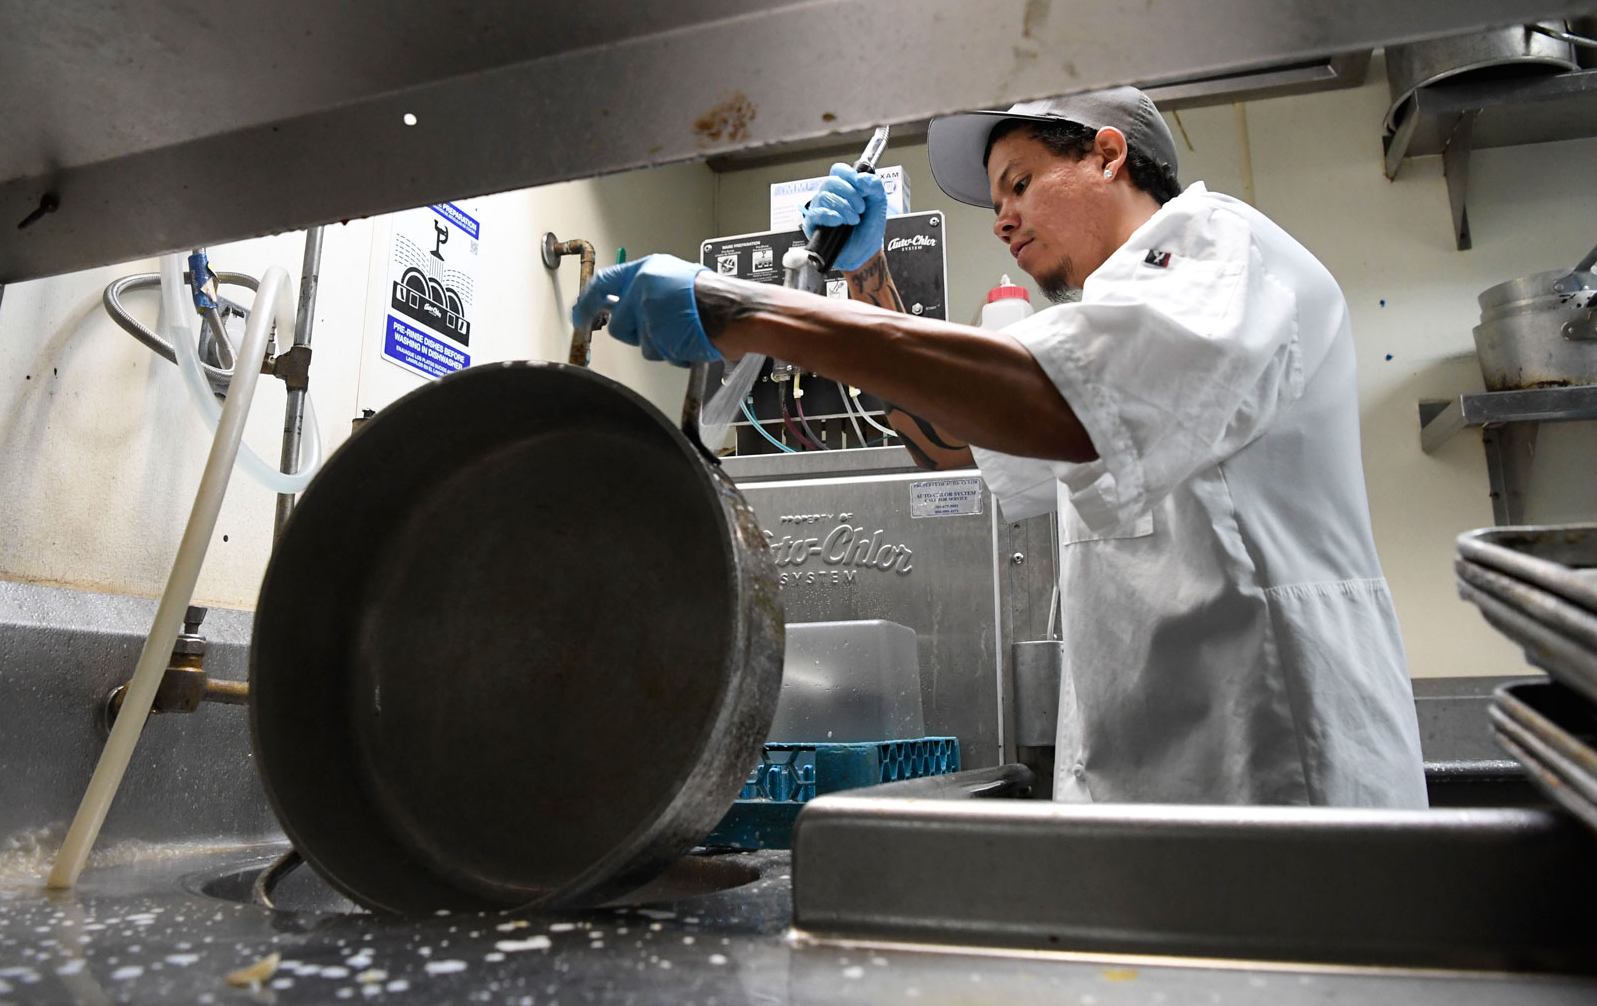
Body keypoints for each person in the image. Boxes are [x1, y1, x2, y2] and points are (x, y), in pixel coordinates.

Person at [573, 88, 1427, 808]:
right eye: (995, 202)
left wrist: (746, 308)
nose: (1002, 220)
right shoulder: (1109, 324)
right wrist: (866, 281)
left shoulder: (1213, 246)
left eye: (1018, 184)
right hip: (1166, 794)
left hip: (1280, 779)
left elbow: (1059, 404)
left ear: (1106, 154)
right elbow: (966, 447)